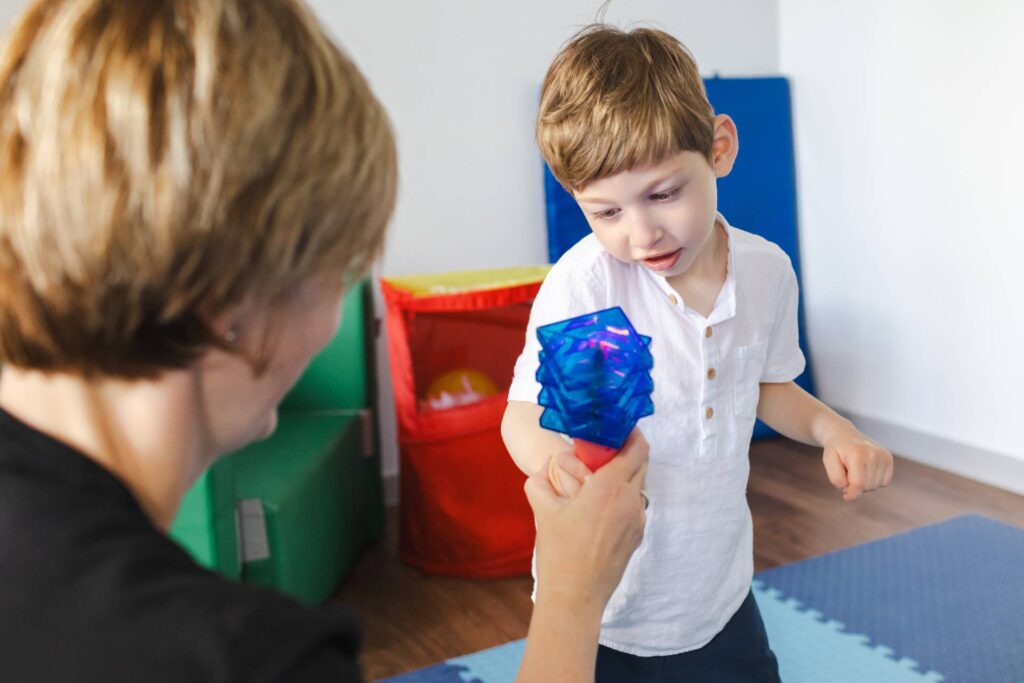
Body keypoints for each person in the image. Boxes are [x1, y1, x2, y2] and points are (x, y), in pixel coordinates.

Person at [0, 2, 646, 681]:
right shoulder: (247, 658)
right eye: (338, 269)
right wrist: (573, 597)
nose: (334, 317)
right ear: (233, 295)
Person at [502, 25, 895, 681]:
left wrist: (834, 428)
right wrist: (560, 466)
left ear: (719, 147)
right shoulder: (588, 284)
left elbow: (764, 386)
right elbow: (522, 416)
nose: (641, 231)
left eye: (663, 193)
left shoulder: (766, 271)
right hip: (609, 607)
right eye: (606, 212)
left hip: (717, 591)